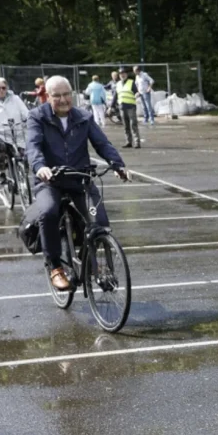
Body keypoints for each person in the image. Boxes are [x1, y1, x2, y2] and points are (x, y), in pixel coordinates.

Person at [26, 75, 129, 291]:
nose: (63, 99)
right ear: (48, 96)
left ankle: (94, 264)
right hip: (50, 180)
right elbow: (33, 146)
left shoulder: (83, 116)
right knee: (48, 212)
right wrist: (40, 167)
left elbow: (102, 143)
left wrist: (118, 165)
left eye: (66, 94)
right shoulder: (37, 117)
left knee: (99, 221)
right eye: (57, 96)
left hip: (79, 178)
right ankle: (55, 267)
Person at [115, 66, 140, 148]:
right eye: (121, 74)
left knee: (133, 124)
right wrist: (110, 107)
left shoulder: (131, 82)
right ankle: (128, 142)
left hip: (131, 107)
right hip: (122, 107)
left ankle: (137, 142)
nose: (122, 75)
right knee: (126, 126)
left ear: (126, 74)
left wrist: (137, 95)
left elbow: (136, 91)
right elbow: (116, 96)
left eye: (124, 73)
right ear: (119, 75)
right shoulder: (118, 84)